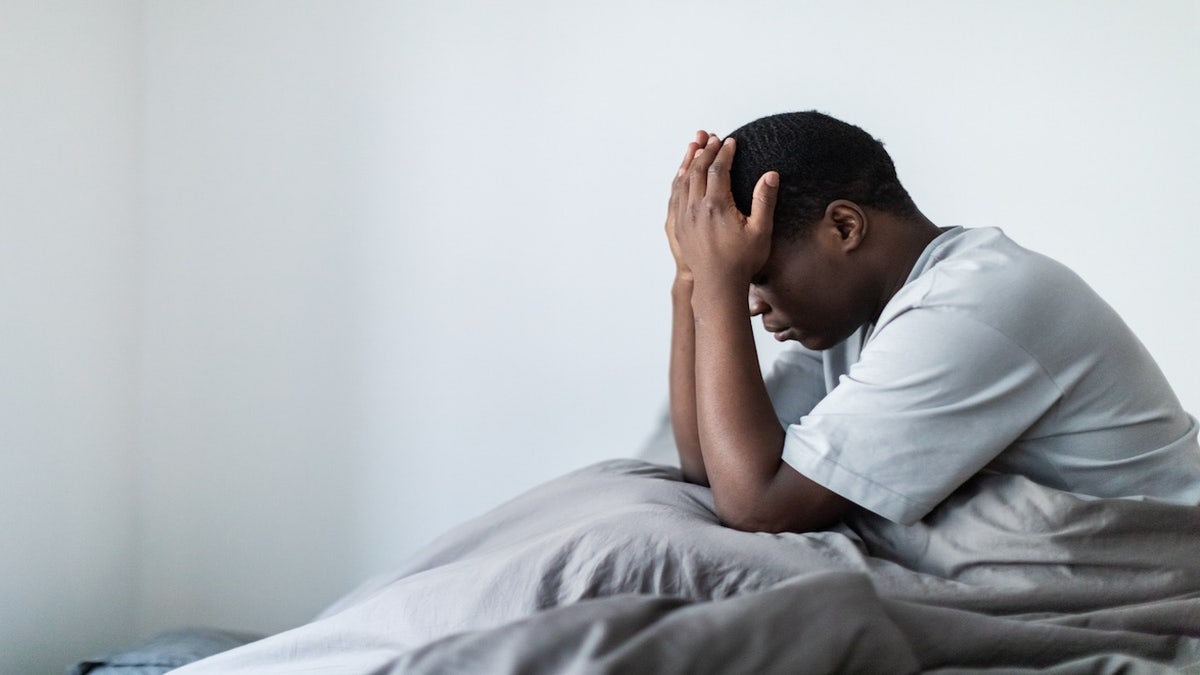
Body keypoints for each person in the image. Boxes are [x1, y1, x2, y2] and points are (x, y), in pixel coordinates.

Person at [665, 111, 1200, 534]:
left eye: (757, 275)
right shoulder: (856, 314)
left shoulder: (967, 305)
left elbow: (760, 508)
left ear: (844, 227)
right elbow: (711, 468)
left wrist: (717, 283)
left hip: (1162, 560)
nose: (750, 304)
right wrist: (692, 276)